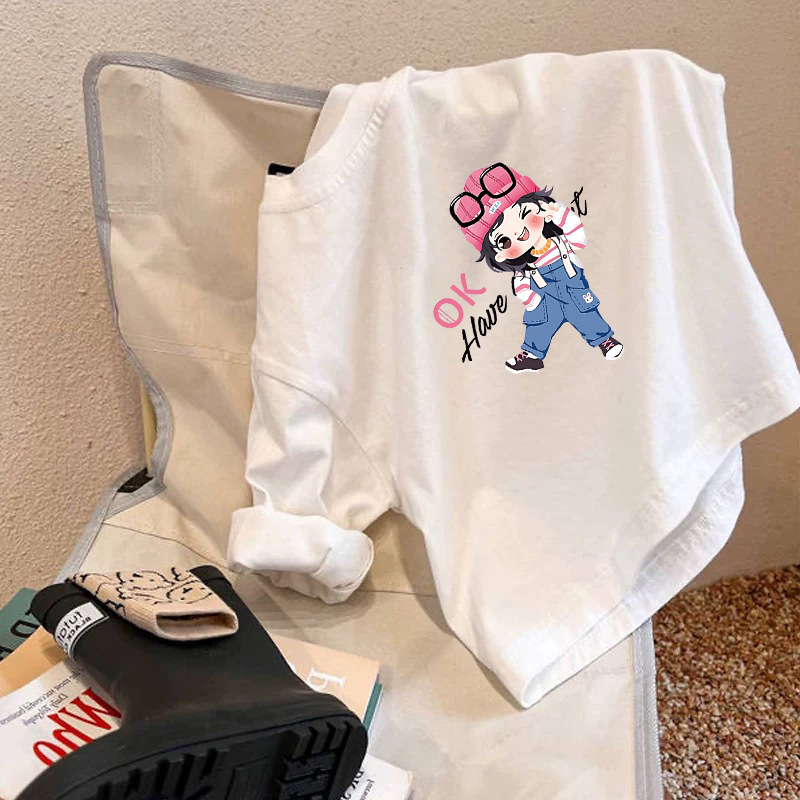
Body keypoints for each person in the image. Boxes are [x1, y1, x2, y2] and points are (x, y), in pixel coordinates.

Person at [450, 162, 624, 373]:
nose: (518, 232)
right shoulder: (524, 269)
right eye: (505, 241)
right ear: (499, 254)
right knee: (538, 325)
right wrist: (531, 300)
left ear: (539, 205)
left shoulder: (560, 242)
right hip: (544, 300)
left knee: (586, 314)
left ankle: (605, 340)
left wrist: (559, 214)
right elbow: (521, 285)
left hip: (573, 291)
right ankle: (532, 355)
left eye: (523, 215)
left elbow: (579, 240)